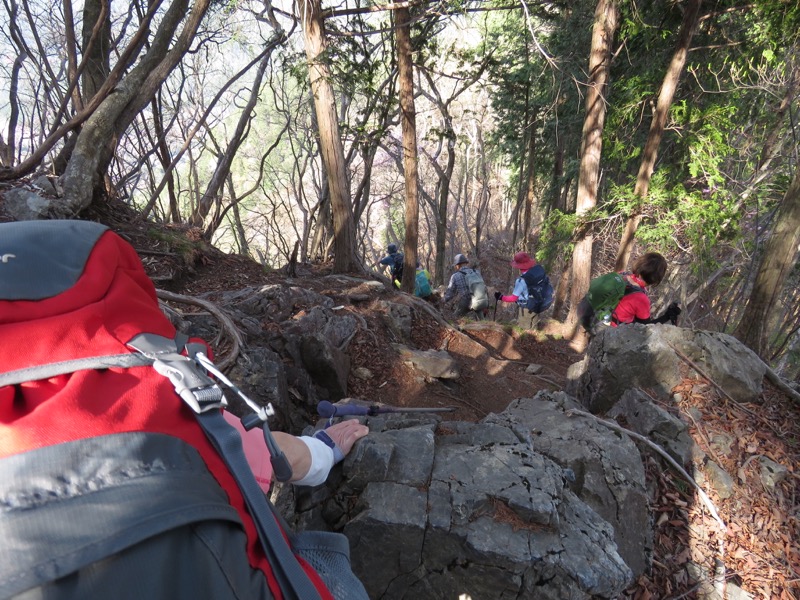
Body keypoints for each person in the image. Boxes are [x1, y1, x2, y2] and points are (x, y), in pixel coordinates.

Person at [612, 252, 680, 326]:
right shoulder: (641, 299)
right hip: (614, 331)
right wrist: (667, 316)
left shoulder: (620, 275)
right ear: (656, 278)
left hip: (601, 320)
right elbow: (645, 327)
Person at [494, 251, 553, 315]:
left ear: (519, 266)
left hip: (528, 309)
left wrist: (501, 297)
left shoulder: (521, 281)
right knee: (534, 324)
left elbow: (513, 298)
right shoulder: (538, 272)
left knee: (525, 324)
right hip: (543, 304)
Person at [443, 253, 488, 318]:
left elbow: (450, 294)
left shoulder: (455, 276)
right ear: (466, 263)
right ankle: (485, 325)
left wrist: (443, 300)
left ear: (457, 265)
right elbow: (483, 286)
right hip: (480, 299)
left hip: (466, 301)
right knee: (482, 319)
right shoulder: (476, 272)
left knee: (455, 318)